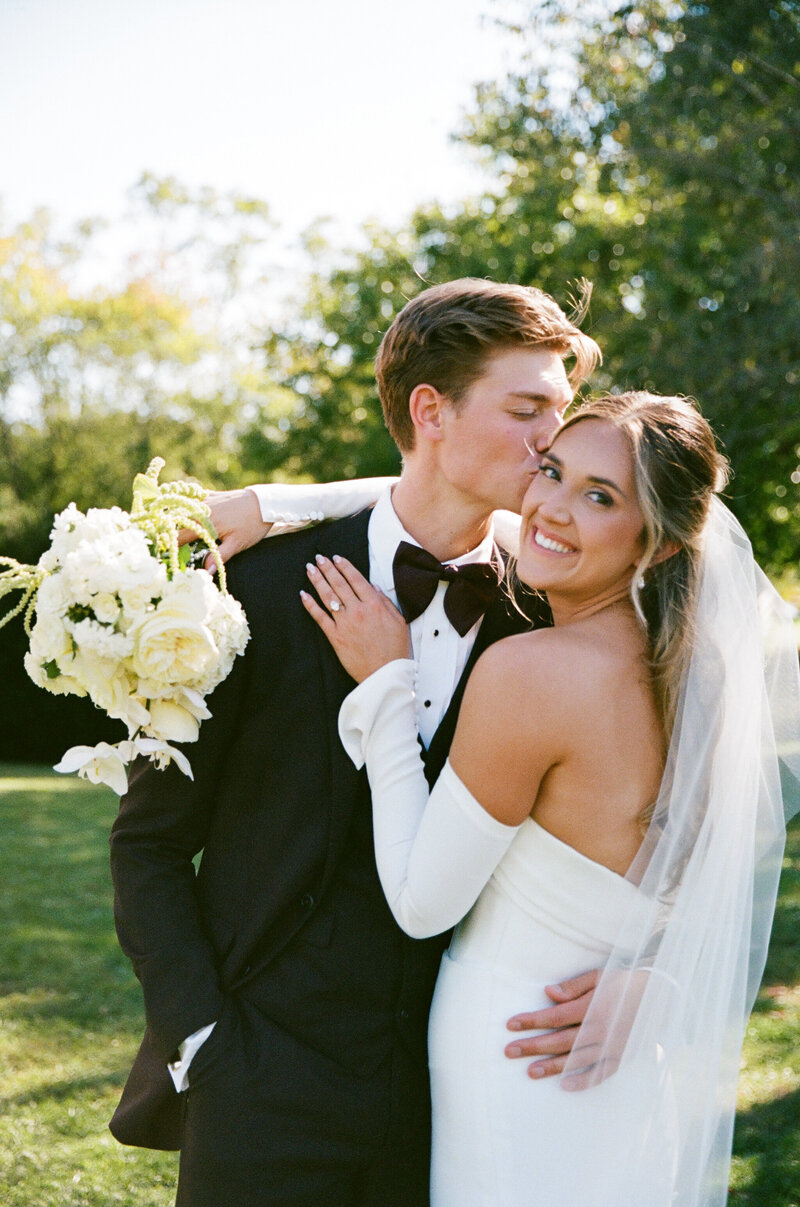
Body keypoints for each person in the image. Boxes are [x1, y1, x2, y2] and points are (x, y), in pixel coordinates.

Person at [108, 278, 603, 1206]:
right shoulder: (247, 585)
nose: (555, 441)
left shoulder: (555, 614)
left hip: (459, 1086)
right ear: (431, 410)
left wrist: (644, 969)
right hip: (255, 1078)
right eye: (528, 408)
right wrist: (200, 1037)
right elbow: (151, 837)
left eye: (563, 413)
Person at [297, 391, 800, 1206]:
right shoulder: (697, 683)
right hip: (628, 1065)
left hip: (517, 1055)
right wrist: (659, 979)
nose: (549, 508)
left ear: (662, 541)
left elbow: (423, 902)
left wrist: (388, 682)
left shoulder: (537, 671)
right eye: (552, 472)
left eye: (599, 496)